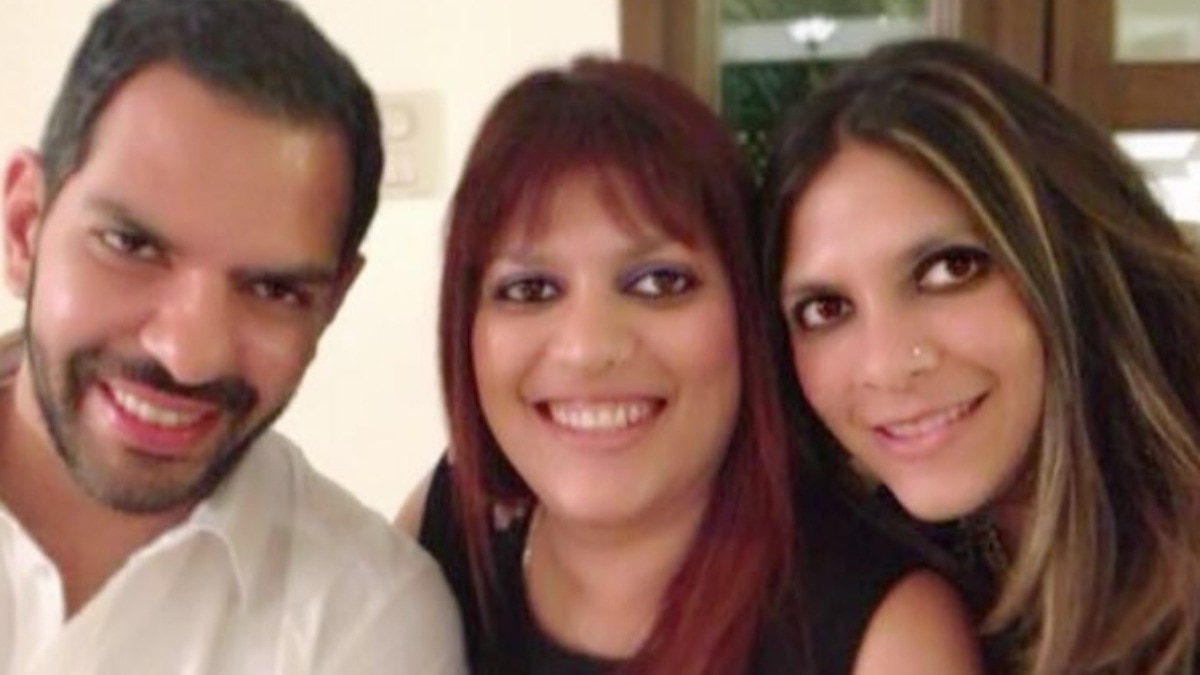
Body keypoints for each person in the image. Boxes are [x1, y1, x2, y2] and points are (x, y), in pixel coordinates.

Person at [396, 56, 981, 674]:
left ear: (750, 314)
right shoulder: (444, 535)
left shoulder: (891, 633)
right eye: (530, 290)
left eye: (659, 281)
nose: (588, 348)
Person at [0, 0, 465, 672]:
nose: (189, 355)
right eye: (130, 245)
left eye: (273, 289)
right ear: (25, 227)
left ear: (332, 303)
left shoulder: (365, 616)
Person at [760, 38, 1200, 674]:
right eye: (826, 309)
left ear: (1072, 257)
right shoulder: (875, 579)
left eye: (951, 269)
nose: (887, 364)